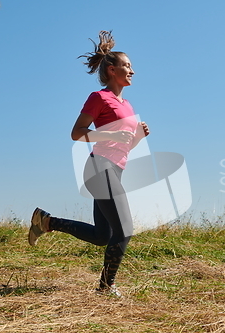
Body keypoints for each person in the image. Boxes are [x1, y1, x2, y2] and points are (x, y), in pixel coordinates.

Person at [28, 30, 149, 297]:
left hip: (115, 169)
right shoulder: (99, 97)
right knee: (125, 229)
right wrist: (111, 133)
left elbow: (124, 145)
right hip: (99, 168)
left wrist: (136, 137)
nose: (132, 71)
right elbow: (77, 132)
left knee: (102, 236)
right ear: (111, 69)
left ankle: (47, 222)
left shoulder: (126, 104)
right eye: (127, 65)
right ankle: (106, 288)